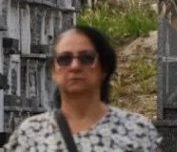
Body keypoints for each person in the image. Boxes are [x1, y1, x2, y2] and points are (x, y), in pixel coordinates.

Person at [4, 26, 160, 152]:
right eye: (64, 59)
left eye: (86, 58)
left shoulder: (135, 130)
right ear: (53, 70)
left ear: (103, 67)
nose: (75, 66)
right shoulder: (31, 133)